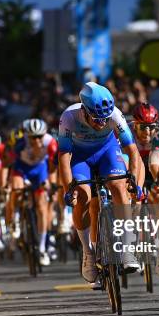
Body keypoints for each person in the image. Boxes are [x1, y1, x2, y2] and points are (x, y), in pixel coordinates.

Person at [59, 82, 142, 286]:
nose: (102, 123)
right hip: (80, 157)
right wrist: (68, 189)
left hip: (107, 151)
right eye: (97, 119)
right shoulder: (69, 117)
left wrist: (134, 180)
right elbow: (63, 157)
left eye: (105, 118)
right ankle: (88, 252)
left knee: (119, 188)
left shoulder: (115, 114)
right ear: (84, 111)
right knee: (83, 197)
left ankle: (127, 247)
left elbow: (132, 151)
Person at [7, 118, 58, 265]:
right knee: (16, 189)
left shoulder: (50, 143)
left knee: (42, 207)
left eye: (39, 136)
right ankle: (16, 219)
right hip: (22, 168)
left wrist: (51, 183)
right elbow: (9, 163)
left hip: (39, 170)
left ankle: (42, 248)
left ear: (45, 135)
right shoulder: (20, 142)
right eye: (32, 137)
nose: (36, 140)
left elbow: (53, 166)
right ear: (27, 136)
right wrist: (11, 181)